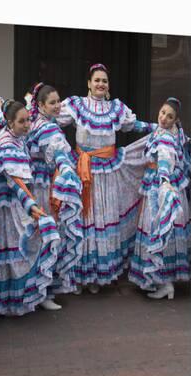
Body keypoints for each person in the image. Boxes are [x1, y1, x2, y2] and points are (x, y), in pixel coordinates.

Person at [56, 63, 152, 293]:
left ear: (108, 86)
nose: (100, 84)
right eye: (97, 80)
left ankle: (98, 276)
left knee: (102, 220)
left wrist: (155, 128)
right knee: (83, 221)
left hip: (108, 172)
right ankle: (79, 274)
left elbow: (132, 125)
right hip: (82, 169)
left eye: (104, 81)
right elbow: (53, 121)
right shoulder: (76, 105)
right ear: (89, 83)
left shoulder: (116, 109)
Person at [0, 99, 61, 315]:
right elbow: (14, 180)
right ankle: (27, 296)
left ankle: (31, 295)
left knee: (18, 246)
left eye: (28, 120)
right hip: (6, 204)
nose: (27, 125)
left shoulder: (15, 136)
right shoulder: (6, 142)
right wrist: (31, 206)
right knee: (29, 241)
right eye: (22, 121)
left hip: (12, 201)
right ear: (9, 122)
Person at [25, 83, 83, 307]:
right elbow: (59, 152)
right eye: (52, 102)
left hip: (42, 181)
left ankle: (41, 289)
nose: (58, 106)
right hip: (41, 185)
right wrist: (67, 169)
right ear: (40, 105)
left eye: (59, 101)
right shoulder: (47, 128)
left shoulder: (41, 122)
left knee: (44, 234)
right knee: (46, 235)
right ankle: (42, 292)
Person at [128, 98, 190, 299]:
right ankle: (164, 281)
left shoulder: (165, 138)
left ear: (176, 119)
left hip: (160, 188)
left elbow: (165, 159)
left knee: (158, 229)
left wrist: (163, 180)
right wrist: (124, 120)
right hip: (169, 186)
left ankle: (164, 283)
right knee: (166, 231)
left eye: (169, 116)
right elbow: (146, 126)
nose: (164, 118)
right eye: (163, 112)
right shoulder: (172, 132)